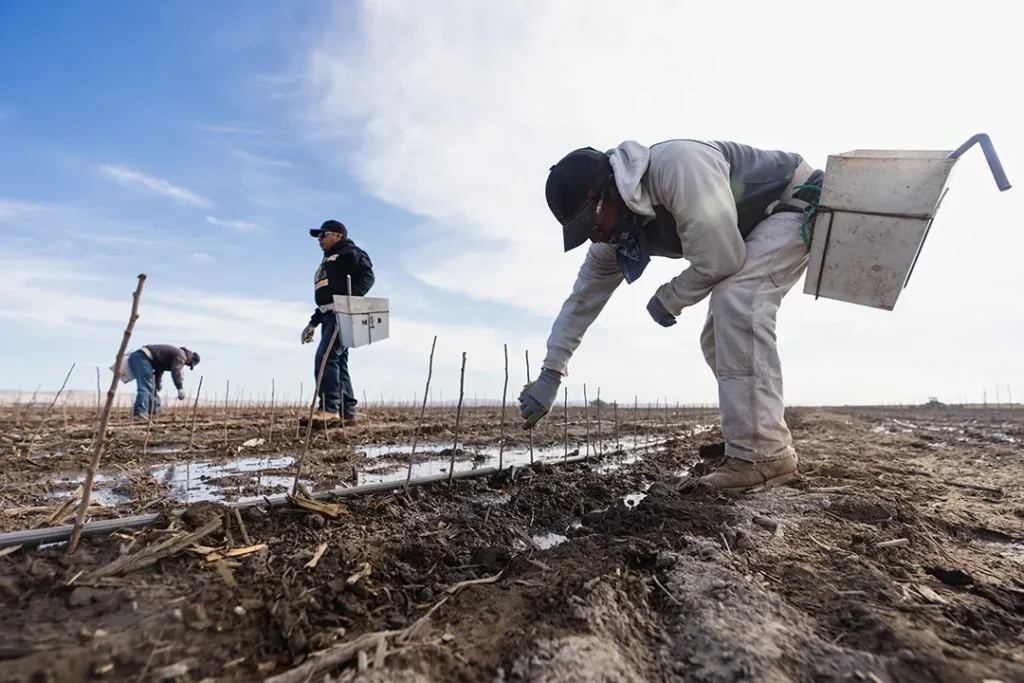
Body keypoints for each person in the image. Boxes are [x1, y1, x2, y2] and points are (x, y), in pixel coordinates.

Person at [518, 138, 823, 492]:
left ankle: (765, 455)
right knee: (716, 336)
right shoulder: (612, 237)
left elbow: (721, 258)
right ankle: (750, 436)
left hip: (791, 201)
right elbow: (580, 302)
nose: (593, 235)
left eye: (591, 222)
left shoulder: (678, 167)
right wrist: (550, 373)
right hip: (751, 228)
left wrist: (669, 298)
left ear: (610, 192)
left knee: (737, 300)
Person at [301, 219, 375, 422]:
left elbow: (367, 276)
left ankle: (329, 408)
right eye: (318, 236)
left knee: (325, 357)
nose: (320, 239)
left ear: (338, 236)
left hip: (341, 314)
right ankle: (347, 412)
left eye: (324, 234)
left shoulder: (349, 253)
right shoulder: (328, 260)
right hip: (328, 315)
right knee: (338, 361)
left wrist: (350, 303)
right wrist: (313, 323)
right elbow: (326, 297)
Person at [125, 344, 200, 419]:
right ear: (192, 359)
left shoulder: (179, 354)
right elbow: (176, 371)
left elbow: (160, 366)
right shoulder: (181, 356)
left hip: (142, 358)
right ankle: (139, 412)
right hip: (142, 357)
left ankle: (155, 410)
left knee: (151, 386)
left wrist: (158, 380)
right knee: (146, 386)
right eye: (189, 364)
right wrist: (179, 387)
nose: (186, 365)